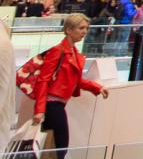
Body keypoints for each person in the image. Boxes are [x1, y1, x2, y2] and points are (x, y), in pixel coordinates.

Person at [20, 14, 109, 159]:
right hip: (51, 105)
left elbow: (75, 80)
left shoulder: (73, 53)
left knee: (54, 146)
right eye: (81, 28)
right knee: (58, 146)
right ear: (68, 30)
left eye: (86, 28)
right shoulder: (58, 51)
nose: (84, 32)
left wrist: (97, 87)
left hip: (57, 105)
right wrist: (39, 110)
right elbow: (43, 80)